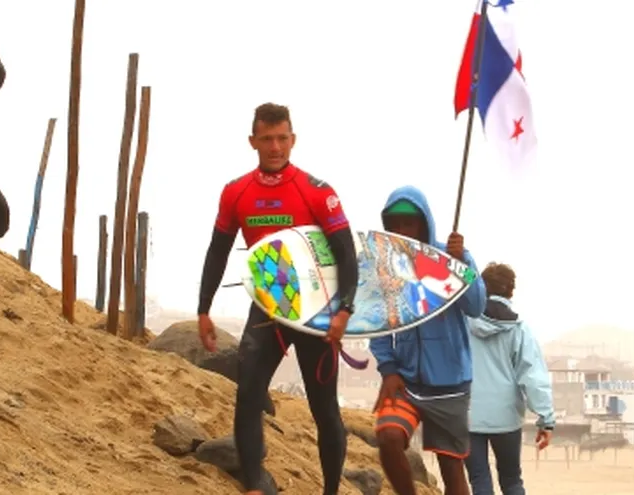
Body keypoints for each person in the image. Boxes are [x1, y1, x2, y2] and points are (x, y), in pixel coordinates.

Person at [196, 103, 360, 495]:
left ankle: (331, 491)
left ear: (293, 140)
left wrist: (345, 310)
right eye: (267, 139)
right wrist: (203, 308)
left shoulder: (317, 192)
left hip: (314, 313)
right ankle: (255, 484)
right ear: (253, 141)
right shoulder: (237, 193)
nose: (275, 146)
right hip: (269, 308)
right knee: (248, 391)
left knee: (324, 408)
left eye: (282, 138)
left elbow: (346, 254)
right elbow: (217, 251)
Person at [369, 185, 487, 495]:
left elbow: (475, 306)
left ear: (424, 222)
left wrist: (461, 266)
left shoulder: (451, 256)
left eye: (409, 223)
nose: (402, 230)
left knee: (452, 470)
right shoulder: (386, 268)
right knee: (389, 438)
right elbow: (376, 323)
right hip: (406, 381)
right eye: (394, 224)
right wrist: (389, 370)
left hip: (450, 385)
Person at [464, 262, 554, 495]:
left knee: (479, 480)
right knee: (512, 480)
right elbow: (533, 377)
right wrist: (546, 419)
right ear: (511, 291)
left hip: (468, 414)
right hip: (506, 417)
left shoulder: (462, 323)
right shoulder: (519, 329)